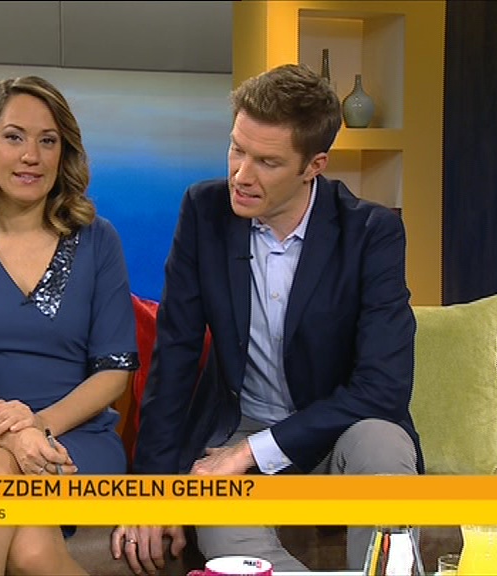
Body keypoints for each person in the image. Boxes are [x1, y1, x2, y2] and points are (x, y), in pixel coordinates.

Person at [110, 63, 424, 574]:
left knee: (384, 442)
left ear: (314, 166)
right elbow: (175, 356)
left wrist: (251, 453)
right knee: (225, 529)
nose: (241, 175)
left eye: (267, 162)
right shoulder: (204, 211)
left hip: (337, 430)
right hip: (237, 425)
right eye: (237, 149)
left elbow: (383, 389)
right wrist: (152, 491)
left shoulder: (371, 233)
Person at [0, 76, 139, 576]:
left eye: (47, 140)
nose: (31, 156)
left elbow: (113, 373)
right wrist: (12, 432)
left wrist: (37, 427)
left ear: (64, 154)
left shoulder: (97, 240)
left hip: (76, 437)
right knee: (30, 548)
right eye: (14, 137)